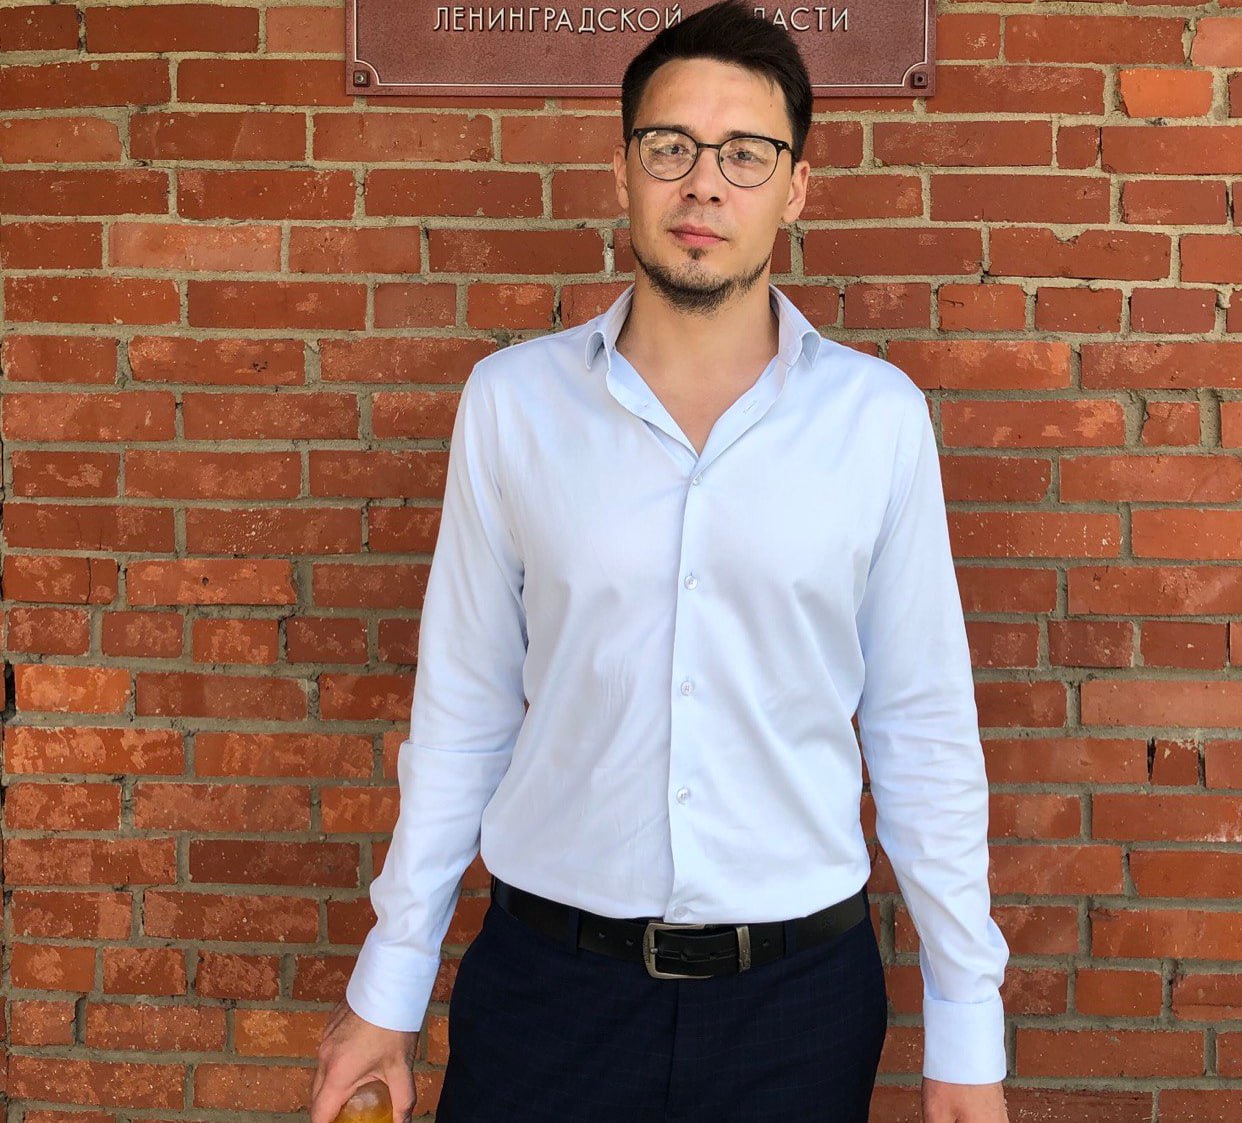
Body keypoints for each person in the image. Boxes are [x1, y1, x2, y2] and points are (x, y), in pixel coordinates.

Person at [310, 2, 1012, 1120]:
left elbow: (921, 729)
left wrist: (966, 1033)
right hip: (548, 995)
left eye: (745, 154)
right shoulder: (513, 404)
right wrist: (388, 987)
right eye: (670, 146)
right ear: (623, 172)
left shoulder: (876, 420)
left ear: (794, 188)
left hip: (796, 1010)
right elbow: (462, 714)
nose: (703, 185)